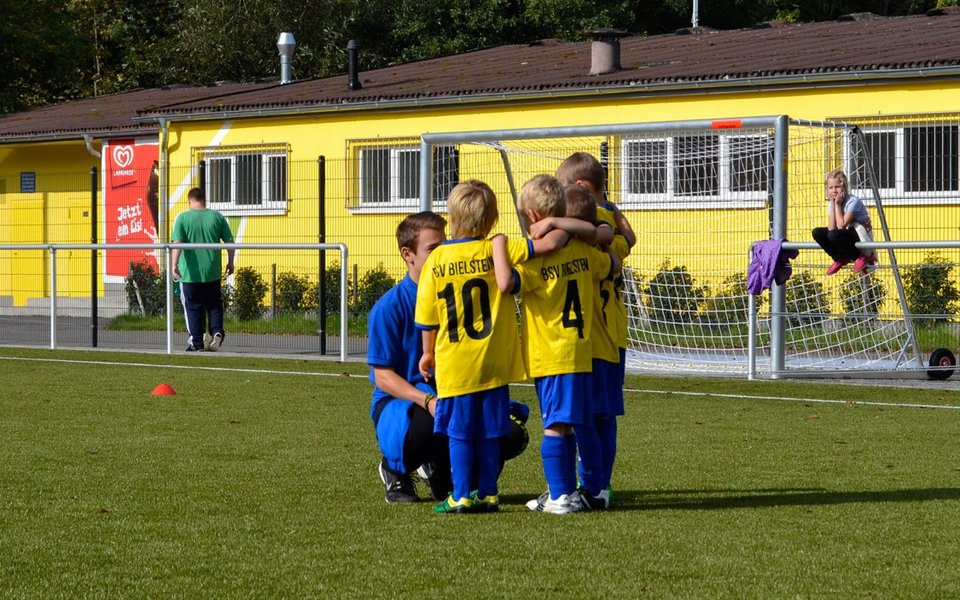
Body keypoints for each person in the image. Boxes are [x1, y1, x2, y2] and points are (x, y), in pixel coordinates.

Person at [415, 180, 570, 514]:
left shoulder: (437, 259)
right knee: (489, 432)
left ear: (452, 217)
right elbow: (543, 247)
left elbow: (427, 316)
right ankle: (488, 492)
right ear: (492, 219)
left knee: (458, 433)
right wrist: (559, 223)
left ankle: (461, 495)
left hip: (456, 364)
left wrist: (427, 352)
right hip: (495, 363)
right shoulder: (496, 249)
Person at [367, 211, 530, 504]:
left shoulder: (460, 288)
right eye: (433, 249)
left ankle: (448, 472)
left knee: (509, 433)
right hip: (406, 403)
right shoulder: (388, 308)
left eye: (445, 244)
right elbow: (383, 376)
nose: (443, 252)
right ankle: (395, 469)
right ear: (408, 254)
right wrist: (426, 400)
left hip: (457, 389)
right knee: (433, 421)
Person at [493, 175, 616, 515]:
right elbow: (613, 264)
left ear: (532, 216)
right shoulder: (585, 251)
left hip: (551, 354)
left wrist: (498, 245)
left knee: (555, 425)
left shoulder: (537, 260)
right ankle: (567, 489)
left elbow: (509, 284)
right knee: (569, 422)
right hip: (578, 351)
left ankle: (562, 495)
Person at [556, 153, 633, 508]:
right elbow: (625, 241)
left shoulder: (592, 224)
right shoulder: (613, 226)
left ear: (580, 188)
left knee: (589, 413)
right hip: (612, 332)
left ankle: (594, 484)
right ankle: (600, 483)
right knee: (603, 413)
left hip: (593, 334)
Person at [171, 187, 235, 352]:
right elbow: (229, 242)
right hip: (212, 272)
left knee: (193, 307)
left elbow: (177, 244)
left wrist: (174, 265)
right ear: (204, 200)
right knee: (214, 304)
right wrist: (230, 262)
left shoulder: (182, 218)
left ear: (189, 200)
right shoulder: (217, 217)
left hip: (190, 274)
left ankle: (197, 342)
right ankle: (217, 332)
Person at [812, 169, 876, 275]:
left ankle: (861, 257)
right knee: (817, 232)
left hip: (859, 233)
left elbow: (841, 225)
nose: (834, 191)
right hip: (846, 233)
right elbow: (832, 228)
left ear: (844, 187)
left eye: (837, 187)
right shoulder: (831, 202)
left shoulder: (853, 201)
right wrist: (833, 204)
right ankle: (840, 258)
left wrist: (837, 205)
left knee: (834, 235)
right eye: (831, 188)